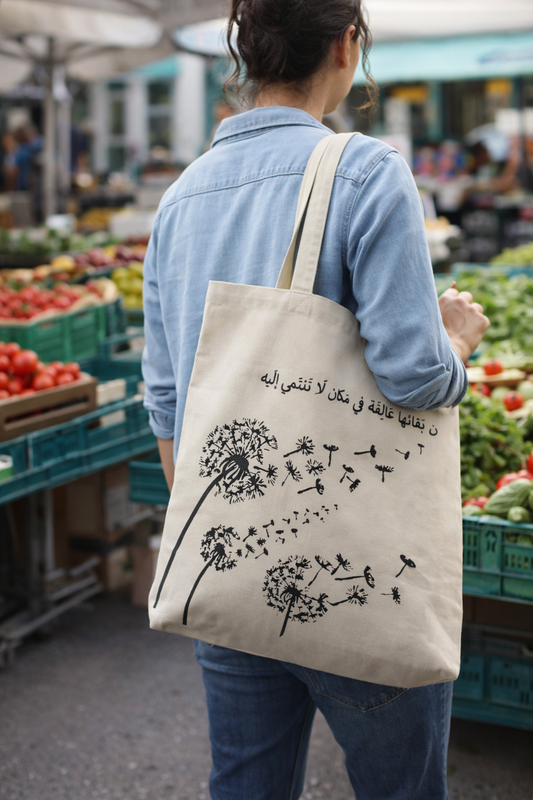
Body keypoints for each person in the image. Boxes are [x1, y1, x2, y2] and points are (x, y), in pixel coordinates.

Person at [142, 1, 489, 798]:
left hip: (224, 562)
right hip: (352, 570)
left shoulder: (179, 198)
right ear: (345, 44)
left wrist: (222, 533)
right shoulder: (365, 171)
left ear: (247, 56)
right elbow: (411, 375)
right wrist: (459, 340)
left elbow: (166, 402)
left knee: (246, 785)